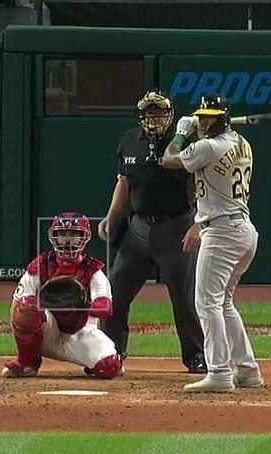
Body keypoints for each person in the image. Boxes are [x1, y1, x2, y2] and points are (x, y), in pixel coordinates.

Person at [98, 91, 206, 375]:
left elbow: (203, 186)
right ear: (142, 115)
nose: (154, 117)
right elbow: (124, 184)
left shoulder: (187, 142)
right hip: (139, 228)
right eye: (150, 112)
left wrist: (198, 222)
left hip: (177, 227)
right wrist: (111, 217)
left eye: (160, 112)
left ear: (169, 114)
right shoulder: (129, 140)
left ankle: (196, 355)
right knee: (115, 292)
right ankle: (110, 353)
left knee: (184, 298)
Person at [160, 94, 263, 393]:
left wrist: (181, 133)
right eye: (202, 116)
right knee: (224, 303)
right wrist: (200, 128)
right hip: (242, 231)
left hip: (222, 232)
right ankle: (247, 369)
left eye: (210, 117)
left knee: (206, 303)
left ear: (222, 118)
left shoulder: (208, 146)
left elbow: (168, 159)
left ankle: (219, 372)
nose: (204, 121)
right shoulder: (241, 142)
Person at [2, 212, 123, 380]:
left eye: (73, 235)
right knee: (27, 306)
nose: (67, 240)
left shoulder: (93, 271)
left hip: (79, 332)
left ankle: (93, 363)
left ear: (84, 238)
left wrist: (82, 304)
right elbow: (18, 305)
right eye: (62, 234)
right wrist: (23, 341)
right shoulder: (41, 265)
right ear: (54, 237)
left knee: (109, 367)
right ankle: (27, 363)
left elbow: (106, 309)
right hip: (47, 333)